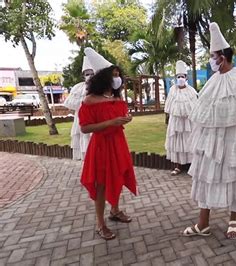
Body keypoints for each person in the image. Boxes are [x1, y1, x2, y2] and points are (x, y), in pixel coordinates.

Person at [182, 22, 236, 239]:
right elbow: (204, 110)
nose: (211, 60)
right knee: (207, 177)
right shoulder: (214, 79)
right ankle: (202, 223)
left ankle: (235, 219)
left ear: (222, 57)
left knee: (233, 177)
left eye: (213, 56)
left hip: (232, 140)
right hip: (211, 141)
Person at [79, 47, 137, 240]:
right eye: (113, 75)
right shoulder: (89, 101)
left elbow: (118, 117)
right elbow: (85, 128)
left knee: (118, 177)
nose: (117, 78)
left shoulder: (116, 98)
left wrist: (124, 119)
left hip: (118, 144)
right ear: (103, 77)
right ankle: (100, 223)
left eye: (119, 75)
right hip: (101, 147)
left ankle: (115, 210)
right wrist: (110, 123)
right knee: (102, 184)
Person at [164, 60, 198, 175]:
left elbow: (195, 107)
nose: (180, 78)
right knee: (177, 142)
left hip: (189, 123)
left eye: (182, 76)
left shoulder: (191, 91)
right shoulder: (172, 91)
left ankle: (192, 165)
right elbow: (168, 107)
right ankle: (178, 166)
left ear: (186, 77)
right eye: (178, 76)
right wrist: (168, 119)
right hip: (176, 122)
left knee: (190, 141)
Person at [63, 55, 93, 160]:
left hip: (96, 118)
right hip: (81, 117)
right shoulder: (78, 87)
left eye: (92, 73)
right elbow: (69, 102)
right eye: (87, 74)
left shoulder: (101, 87)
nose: (89, 76)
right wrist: (84, 103)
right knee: (83, 136)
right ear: (83, 75)